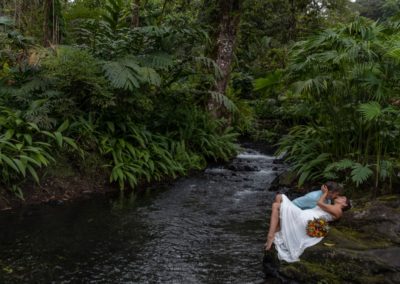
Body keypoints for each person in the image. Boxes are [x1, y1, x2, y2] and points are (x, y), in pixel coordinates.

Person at [264, 185, 350, 263]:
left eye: (342, 197)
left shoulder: (338, 211)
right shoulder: (329, 204)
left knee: (276, 206)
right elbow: (322, 203)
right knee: (279, 197)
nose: (339, 196)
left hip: (307, 219)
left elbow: (319, 203)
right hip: (304, 214)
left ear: (344, 204)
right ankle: (278, 229)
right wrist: (326, 193)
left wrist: (325, 193)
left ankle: (271, 235)